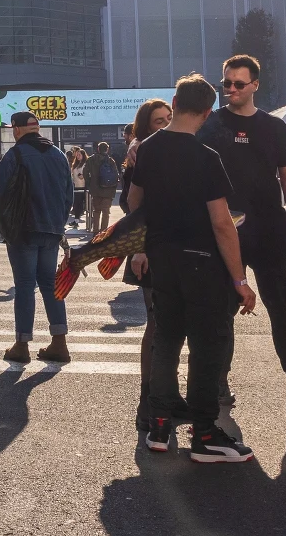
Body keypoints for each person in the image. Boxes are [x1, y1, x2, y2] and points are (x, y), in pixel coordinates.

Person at [129, 74, 257, 463]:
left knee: (166, 338)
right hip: (202, 261)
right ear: (206, 112)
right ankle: (205, 432)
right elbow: (222, 222)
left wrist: (143, 246)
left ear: (174, 101)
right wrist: (239, 279)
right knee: (207, 346)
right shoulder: (206, 157)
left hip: (162, 259)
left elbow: (135, 202)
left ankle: (161, 423)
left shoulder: (147, 149)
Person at [197, 54, 286, 419]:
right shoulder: (211, 125)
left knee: (282, 312)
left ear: (255, 85)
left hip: (271, 229)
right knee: (222, 313)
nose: (231, 90)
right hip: (226, 232)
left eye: (239, 83)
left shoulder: (273, 127)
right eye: (226, 83)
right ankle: (220, 385)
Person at [0, 111, 74, 363]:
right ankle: (59, 342)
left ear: (16, 129)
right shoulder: (59, 155)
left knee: (26, 285)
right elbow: (68, 195)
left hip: (22, 230)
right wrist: (58, 224)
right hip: (51, 230)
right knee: (49, 284)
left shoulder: (15, 155)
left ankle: (22, 345)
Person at [119, 97, 172, 433]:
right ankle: (148, 398)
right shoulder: (141, 152)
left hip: (176, 249)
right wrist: (140, 248)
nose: (165, 124)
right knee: (156, 325)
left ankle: (166, 396)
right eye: (158, 120)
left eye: (169, 118)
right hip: (150, 247)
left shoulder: (174, 147)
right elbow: (133, 205)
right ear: (144, 125)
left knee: (170, 326)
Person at [83, 141, 121, 235]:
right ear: (107, 149)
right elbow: (116, 175)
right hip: (108, 190)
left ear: (98, 149)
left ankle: (95, 231)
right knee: (106, 212)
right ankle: (103, 231)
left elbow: (85, 172)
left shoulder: (91, 160)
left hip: (95, 190)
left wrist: (90, 183)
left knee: (96, 211)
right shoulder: (111, 161)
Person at [68, 147, 88, 227]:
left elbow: (83, 175)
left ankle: (90, 220)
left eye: (79, 155)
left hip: (82, 187)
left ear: (83, 155)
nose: (78, 156)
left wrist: (81, 175)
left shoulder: (85, 164)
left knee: (81, 204)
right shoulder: (76, 164)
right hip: (76, 186)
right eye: (77, 155)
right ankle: (76, 221)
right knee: (76, 204)